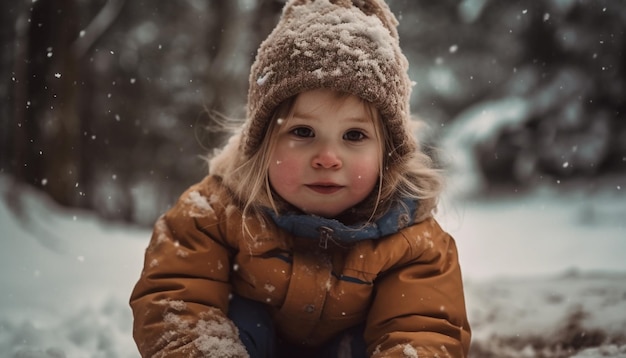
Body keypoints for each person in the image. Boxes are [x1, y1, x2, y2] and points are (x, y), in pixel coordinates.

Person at [129, 0, 471, 357]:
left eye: (354, 136)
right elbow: (177, 299)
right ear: (263, 142)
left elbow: (422, 328)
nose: (327, 158)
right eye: (303, 131)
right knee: (240, 314)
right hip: (249, 346)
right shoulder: (216, 213)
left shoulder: (412, 238)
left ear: (388, 154)